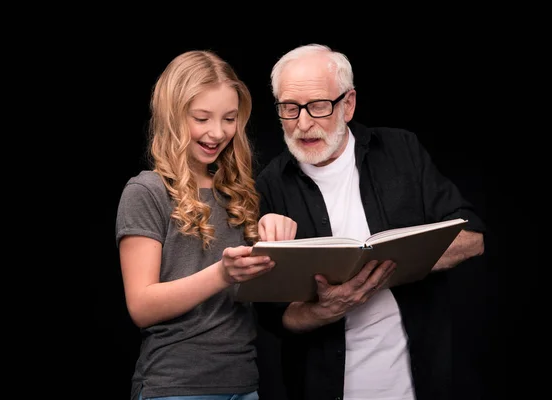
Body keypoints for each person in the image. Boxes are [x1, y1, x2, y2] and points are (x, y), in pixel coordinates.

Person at [253, 44, 486, 400]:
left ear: (347, 104)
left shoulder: (400, 150)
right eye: (289, 108)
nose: (302, 123)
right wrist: (323, 310)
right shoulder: (269, 185)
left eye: (317, 105)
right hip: (322, 387)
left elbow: (473, 237)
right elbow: (272, 317)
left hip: (417, 382)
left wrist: (386, 269)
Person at [115, 50, 297, 400]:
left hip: (245, 384)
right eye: (202, 118)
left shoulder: (239, 193)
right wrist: (222, 274)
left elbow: (260, 290)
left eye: (229, 118)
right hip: (176, 387)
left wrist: (274, 234)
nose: (217, 132)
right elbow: (141, 306)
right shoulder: (146, 191)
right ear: (172, 116)